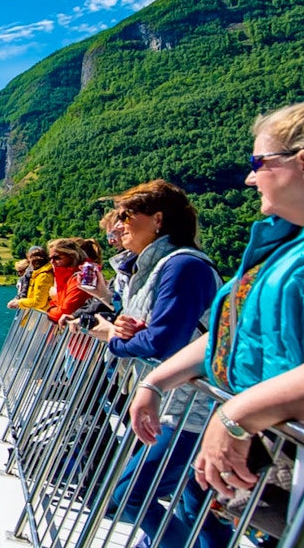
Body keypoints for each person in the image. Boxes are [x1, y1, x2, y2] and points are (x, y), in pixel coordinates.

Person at [133, 99, 304, 530]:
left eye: (259, 162)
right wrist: (156, 380)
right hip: (284, 458)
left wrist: (236, 416)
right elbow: (233, 331)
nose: (249, 176)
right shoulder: (289, 247)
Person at [74, 180, 226, 548]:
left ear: (158, 219)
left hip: (190, 409)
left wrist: (115, 338)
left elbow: (162, 341)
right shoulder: (159, 267)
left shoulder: (183, 267)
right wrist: (123, 323)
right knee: (197, 507)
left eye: (127, 215)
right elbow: (149, 326)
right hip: (176, 404)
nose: (119, 224)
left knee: (129, 494)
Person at [45, 238, 94, 324]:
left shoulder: (81, 277)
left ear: (72, 256)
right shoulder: (65, 277)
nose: (52, 262)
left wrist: (49, 311)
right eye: (50, 259)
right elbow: (56, 302)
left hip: (79, 334)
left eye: (56, 258)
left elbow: (65, 311)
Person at [7, 246, 53, 313]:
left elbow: (39, 302)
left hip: (41, 316)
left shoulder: (43, 276)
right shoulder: (36, 275)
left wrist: (18, 303)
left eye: (29, 261)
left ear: (34, 262)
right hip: (35, 314)